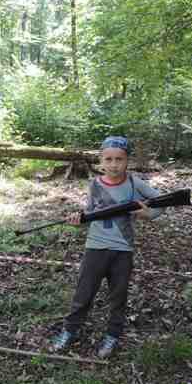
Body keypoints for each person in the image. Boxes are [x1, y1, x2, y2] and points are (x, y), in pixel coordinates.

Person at [51, 136, 163, 358]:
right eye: (108, 159)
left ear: (127, 160)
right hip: (95, 247)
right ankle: (70, 330)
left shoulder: (135, 183)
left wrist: (147, 214)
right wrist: (78, 221)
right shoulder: (94, 184)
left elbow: (163, 202)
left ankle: (112, 335)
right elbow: (91, 214)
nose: (114, 165)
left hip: (123, 250)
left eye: (119, 159)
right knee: (83, 294)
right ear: (101, 160)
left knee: (118, 297)